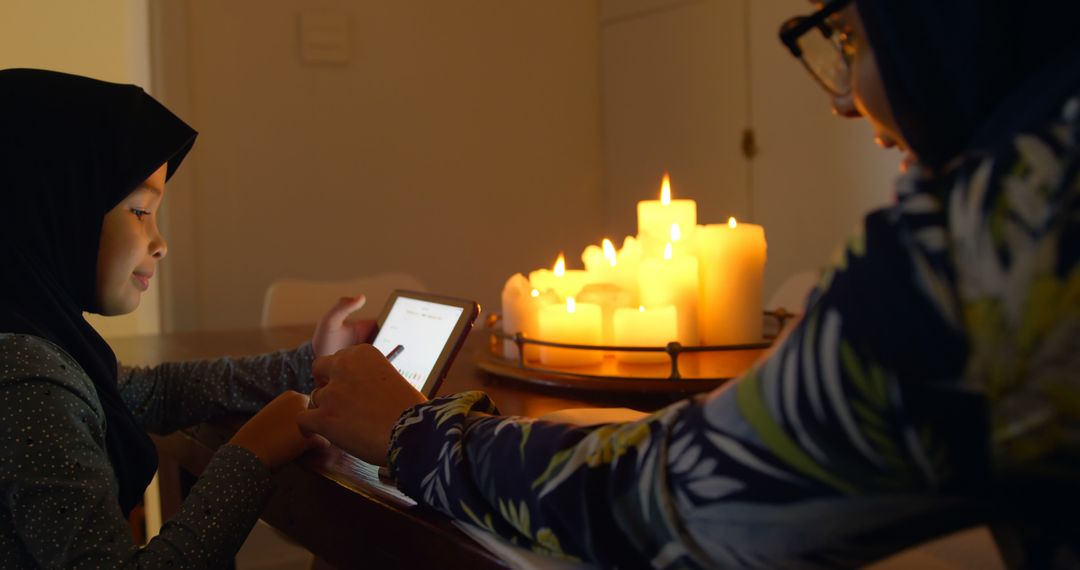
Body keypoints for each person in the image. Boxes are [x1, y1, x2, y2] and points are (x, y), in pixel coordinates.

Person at [298, 0, 1080, 567]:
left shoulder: (991, 241)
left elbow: (663, 500)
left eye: (848, 34)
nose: (842, 99)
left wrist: (415, 431)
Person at [0, 68, 372, 567]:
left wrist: (309, 362)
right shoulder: (26, 379)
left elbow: (157, 394)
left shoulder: (33, 344)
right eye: (139, 211)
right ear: (55, 206)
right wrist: (252, 456)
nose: (160, 243)